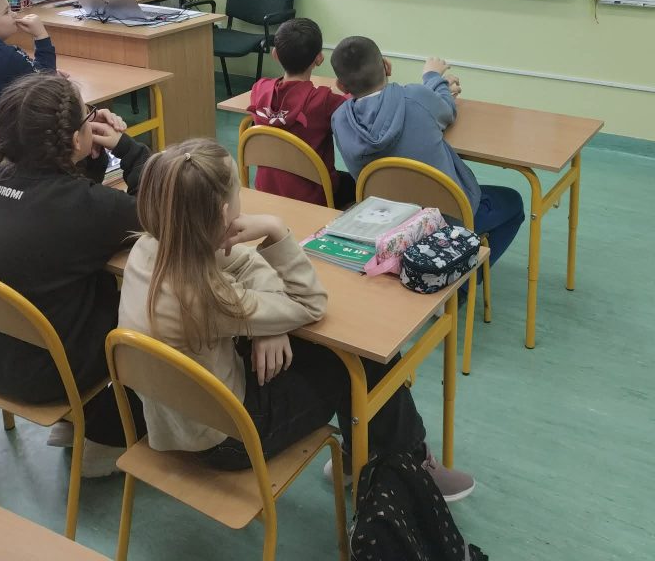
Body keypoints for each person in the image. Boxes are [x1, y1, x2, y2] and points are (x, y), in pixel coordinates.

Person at [117, 139, 475, 501]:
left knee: (321, 343)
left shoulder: (152, 247)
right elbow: (311, 302)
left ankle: (365, 452)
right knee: (358, 357)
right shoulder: (212, 300)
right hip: (232, 439)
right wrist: (275, 229)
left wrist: (267, 327)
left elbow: (244, 261)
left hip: (177, 420)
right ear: (226, 213)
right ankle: (410, 467)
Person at [0, 72, 150, 476]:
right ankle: (106, 436)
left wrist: (87, 158)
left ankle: (74, 423)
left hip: (0, 360)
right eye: (88, 117)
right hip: (53, 377)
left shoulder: (1, 179)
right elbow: (157, 208)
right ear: (75, 138)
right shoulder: (89, 208)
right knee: (154, 307)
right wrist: (128, 149)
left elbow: (62, 211)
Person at [330, 38, 524, 273]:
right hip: (446, 222)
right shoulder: (417, 97)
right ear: (387, 66)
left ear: (340, 86)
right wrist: (433, 78)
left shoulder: (339, 119)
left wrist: (436, 89)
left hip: (387, 224)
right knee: (513, 202)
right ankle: (462, 286)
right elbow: (446, 109)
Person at [248, 19, 354, 209]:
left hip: (266, 189)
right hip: (313, 196)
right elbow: (355, 104)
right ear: (319, 58)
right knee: (359, 183)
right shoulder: (324, 101)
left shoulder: (259, 89)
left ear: (275, 54)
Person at [0, 0, 57, 114]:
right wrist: (41, 35)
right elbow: (48, 82)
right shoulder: (7, 56)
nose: (14, 14)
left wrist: (34, 69)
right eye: (6, 12)